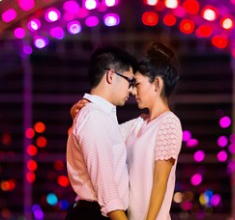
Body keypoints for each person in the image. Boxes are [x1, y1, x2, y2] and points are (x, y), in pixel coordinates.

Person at [71, 42, 183, 220]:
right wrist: (77, 117)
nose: (132, 90)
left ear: (156, 84)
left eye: (136, 83)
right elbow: (99, 138)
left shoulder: (168, 122)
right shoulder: (139, 123)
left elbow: (161, 181)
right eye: (131, 83)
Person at [65, 45, 140, 220]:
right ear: (111, 75)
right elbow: (108, 192)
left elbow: (124, 133)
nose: (131, 90)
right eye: (129, 81)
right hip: (95, 214)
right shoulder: (94, 117)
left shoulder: (100, 116)